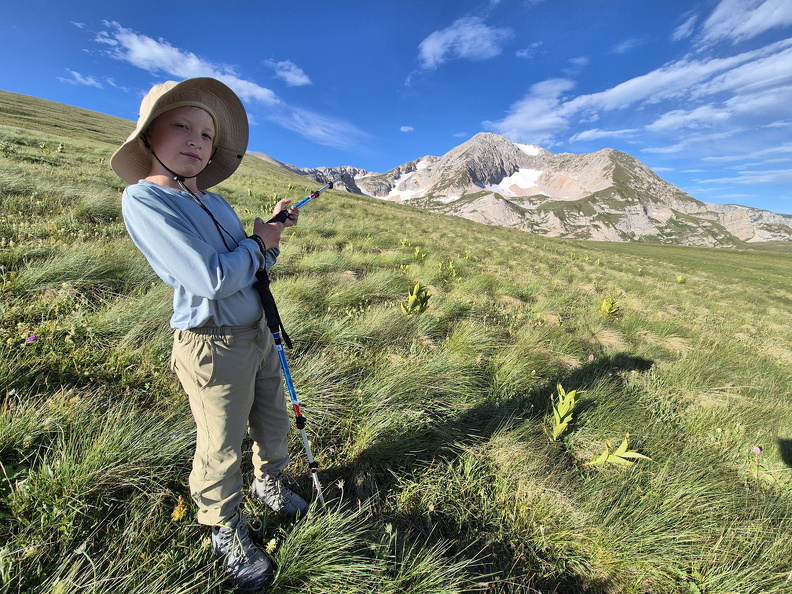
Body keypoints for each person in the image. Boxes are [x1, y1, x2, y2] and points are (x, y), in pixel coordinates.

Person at [111, 77, 307, 591]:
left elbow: (251, 264)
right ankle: (223, 525)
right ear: (149, 137)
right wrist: (257, 244)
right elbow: (211, 279)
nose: (197, 140)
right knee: (219, 441)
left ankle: (269, 481)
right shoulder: (144, 200)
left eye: (206, 134)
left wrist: (271, 233)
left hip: (256, 330)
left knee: (271, 417)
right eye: (181, 126)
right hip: (211, 342)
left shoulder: (216, 204)